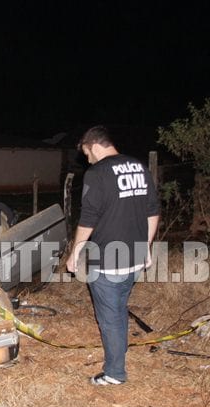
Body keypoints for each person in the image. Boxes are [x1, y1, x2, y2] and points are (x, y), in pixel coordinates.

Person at [66, 126, 160, 385]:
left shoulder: (97, 173)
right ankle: (119, 352)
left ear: (93, 146)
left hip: (107, 259)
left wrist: (76, 252)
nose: (88, 160)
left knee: (110, 318)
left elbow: (88, 218)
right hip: (133, 257)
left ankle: (115, 373)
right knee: (118, 308)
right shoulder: (139, 167)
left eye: (86, 154)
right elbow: (153, 210)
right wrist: (146, 246)